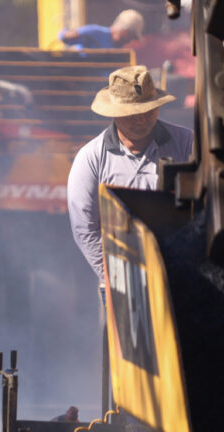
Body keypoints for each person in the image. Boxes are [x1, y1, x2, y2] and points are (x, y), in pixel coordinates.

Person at [68, 65, 193, 284]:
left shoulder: (186, 144)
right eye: (133, 114)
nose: (142, 120)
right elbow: (85, 229)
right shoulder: (90, 159)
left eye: (148, 111)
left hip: (180, 275)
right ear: (115, 114)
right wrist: (116, 279)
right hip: (119, 279)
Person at [59, 9, 144, 49]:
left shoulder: (119, 51)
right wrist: (66, 35)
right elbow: (63, 36)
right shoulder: (95, 32)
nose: (130, 40)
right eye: (130, 36)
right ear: (124, 31)